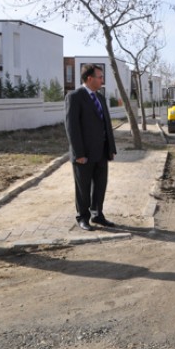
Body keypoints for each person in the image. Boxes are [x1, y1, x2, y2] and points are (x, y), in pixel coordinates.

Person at [65, 65, 117, 231]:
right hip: (84, 154)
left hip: (101, 151)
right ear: (89, 79)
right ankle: (83, 217)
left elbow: (107, 124)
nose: (102, 80)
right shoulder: (75, 97)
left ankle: (97, 214)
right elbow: (71, 127)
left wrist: (111, 148)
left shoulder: (100, 98)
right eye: (100, 77)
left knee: (100, 185)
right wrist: (78, 153)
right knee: (83, 188)